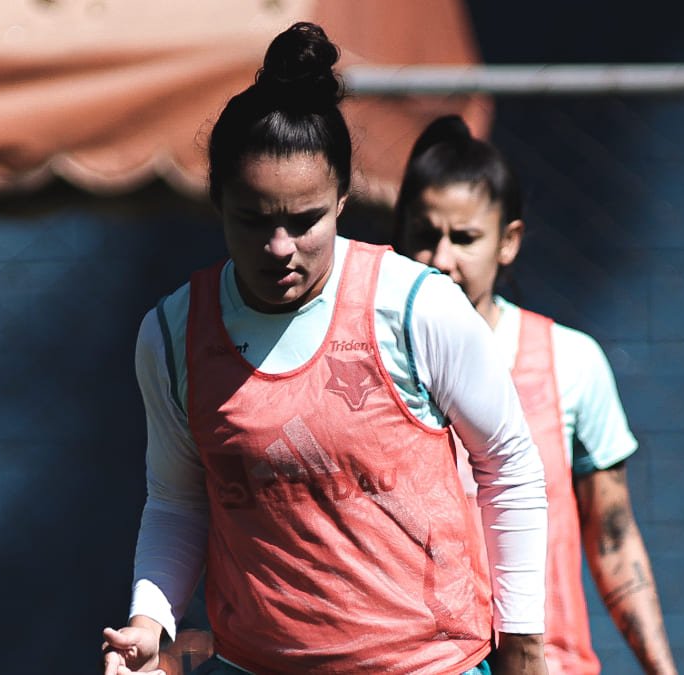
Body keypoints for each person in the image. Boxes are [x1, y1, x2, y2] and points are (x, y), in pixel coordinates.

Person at [102, 23, 551, 675]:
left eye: (305, 219)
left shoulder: (415, 305)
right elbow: (178, 497)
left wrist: (524, 643)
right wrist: (150, 620)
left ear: (342, 197)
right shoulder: (173, 335)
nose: (280, 246)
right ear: (217, 202)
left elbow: (509, 464)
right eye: (255, 219)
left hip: (429, 663)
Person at [393, 116, 678, 675]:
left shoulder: (570, 362)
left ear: (509, 241)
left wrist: (663, 670)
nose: (442, 258)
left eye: (465, 238)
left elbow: (613, 538)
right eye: (425, 237)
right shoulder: (369, 371)